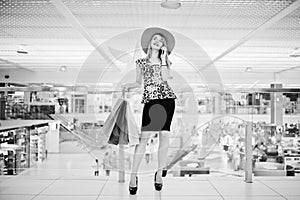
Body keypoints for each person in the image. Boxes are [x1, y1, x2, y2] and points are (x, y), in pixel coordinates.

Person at [122, 27, 177, 195]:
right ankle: (133, 176)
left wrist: (164, 57)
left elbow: (166, 78)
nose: (158, 41)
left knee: (165, 135)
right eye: (155, 38)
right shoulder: (140, 62)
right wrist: (127, 86)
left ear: (163, 46)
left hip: (167, 100)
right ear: (149, 43)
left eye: (161, 40)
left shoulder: (165, 61)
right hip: (151, 101)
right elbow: (138, 82)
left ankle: (159, 174)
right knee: (144, 138)